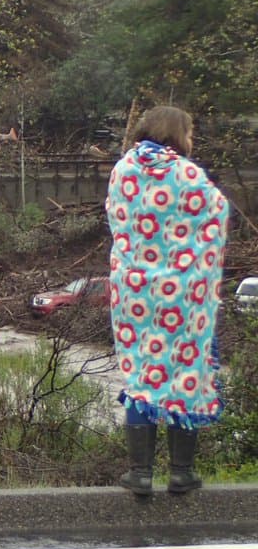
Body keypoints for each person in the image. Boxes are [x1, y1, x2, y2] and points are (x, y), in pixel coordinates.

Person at [105, 105, 229, 496]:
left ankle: (140, 473)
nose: (191, 141)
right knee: (183, 372)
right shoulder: (187, 174)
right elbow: (217, 212)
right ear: (177, 134)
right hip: (182, 295)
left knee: (143, 372)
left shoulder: (123, 169)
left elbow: (116, 216)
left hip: (134, 292)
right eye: (190, 133)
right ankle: (181, 472)